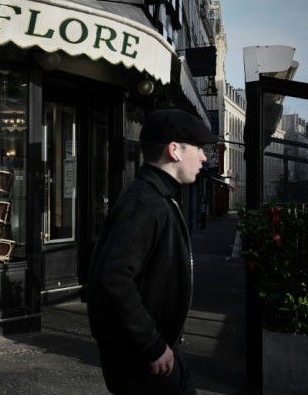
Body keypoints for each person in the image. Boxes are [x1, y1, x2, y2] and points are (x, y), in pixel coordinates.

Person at [87, 108, 217, 394]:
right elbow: (113, 278)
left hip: (156, 352)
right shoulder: (145, 202)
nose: (204, 157)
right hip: (144, 360)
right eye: (199, 148)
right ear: (175, 150)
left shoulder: (156, 197)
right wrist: (152, 345)